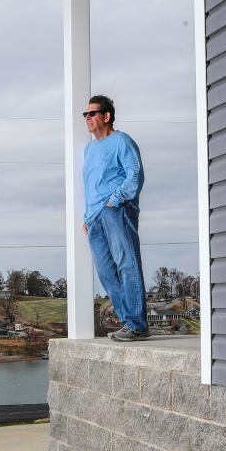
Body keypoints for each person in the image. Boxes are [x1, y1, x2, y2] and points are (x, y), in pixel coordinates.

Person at [81, 94, 148, 341]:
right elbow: (91, 184)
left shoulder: (122, 141)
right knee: (106, 271)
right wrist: (88, 216)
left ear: (106, 116)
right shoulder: (89, 149)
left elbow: (135, 175)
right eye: (85, 114)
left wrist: (114, 201)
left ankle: (138, 324)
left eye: (92, 113)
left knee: (126, 264)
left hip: (116, 210)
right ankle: (127, 322)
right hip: (95, 218)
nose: (87, 118)